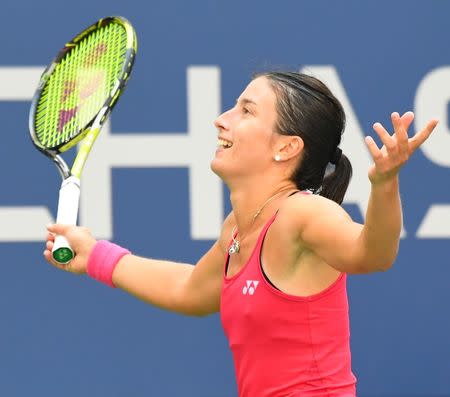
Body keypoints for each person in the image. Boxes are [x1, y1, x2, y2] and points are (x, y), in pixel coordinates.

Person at [44, 71, 438, 397]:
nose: (221, 118)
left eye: (245, 111)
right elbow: (192, 289)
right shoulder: (238, 227)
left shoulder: (302, 213)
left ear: (286, 147)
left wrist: (385, 184)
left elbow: (373, 254)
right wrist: (95, 255)